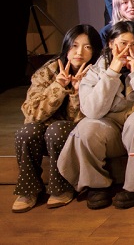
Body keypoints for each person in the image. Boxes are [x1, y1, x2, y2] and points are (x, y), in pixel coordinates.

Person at [58, 21, 134, 210]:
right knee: (86, 127)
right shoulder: (95, 69)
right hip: (110, 129)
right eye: (123, 43)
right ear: (110, 43)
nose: (128, 50)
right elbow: (92, 111)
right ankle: (96, 185)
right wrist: (112, 73)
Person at [12, 25, 103, 213]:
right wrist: (58, 87)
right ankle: (29, 190)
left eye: (87, 47)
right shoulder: (49, 70)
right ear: (66, 46)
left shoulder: (98, 73)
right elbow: (32, 114)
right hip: (43, 129)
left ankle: (61, 187)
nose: (79, 52)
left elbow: (83, 120)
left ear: (94, 50)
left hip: (71, 133)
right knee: (26, 132)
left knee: (58, 130)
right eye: (74, 46)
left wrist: (77, 93)